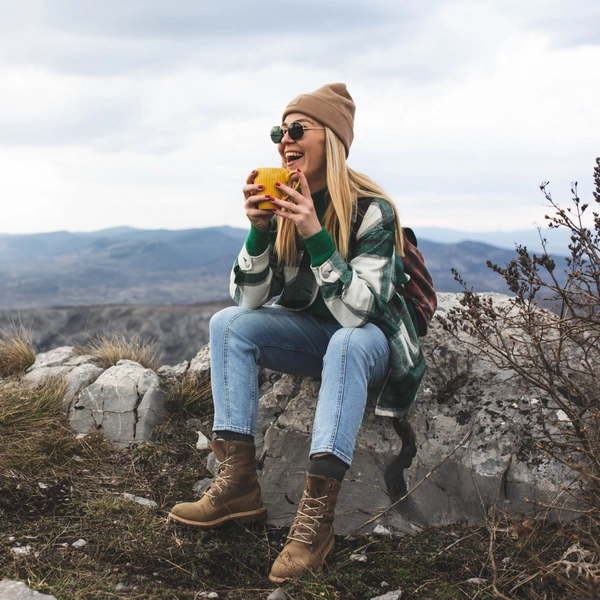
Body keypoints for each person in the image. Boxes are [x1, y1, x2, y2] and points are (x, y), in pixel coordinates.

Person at [169, 83, 425, 583]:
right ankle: (237, 484)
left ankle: (314, 524)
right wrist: (259, 228)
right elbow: (245, 301)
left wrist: (314, 232)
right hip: (316, 337)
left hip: (370, 340)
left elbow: (359, 315)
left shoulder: (373, 210)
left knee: (348, 342)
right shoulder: (286, 202)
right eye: (278, 133)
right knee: (227, 325)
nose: (284, 141)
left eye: (296, 130)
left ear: (331, 138)